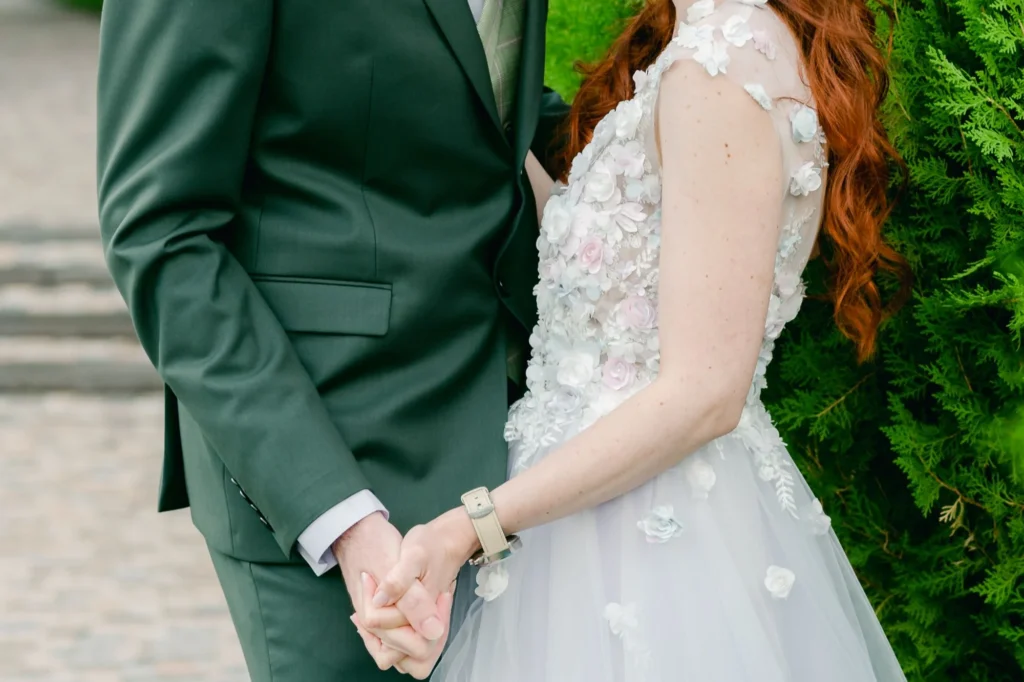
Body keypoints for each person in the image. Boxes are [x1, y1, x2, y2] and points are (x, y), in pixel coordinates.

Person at [363, 0, 912, 679]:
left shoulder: (715, 72)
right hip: (599, 503)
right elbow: (616, 272)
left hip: (643, 535)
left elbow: (706, 392)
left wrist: (471, 526)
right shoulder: (717, 47)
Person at [95, 0, 569, 679]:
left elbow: (479, 86)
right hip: (328, 444)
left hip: (519, 440)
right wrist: (341, 518)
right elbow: (162, 236)